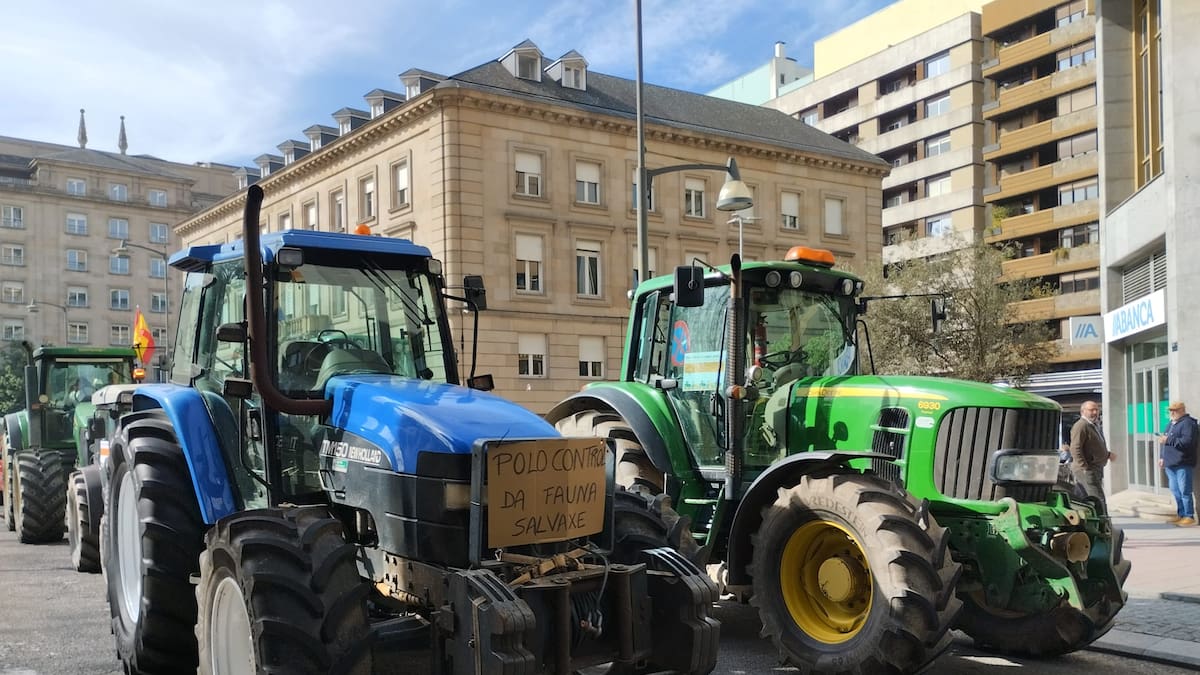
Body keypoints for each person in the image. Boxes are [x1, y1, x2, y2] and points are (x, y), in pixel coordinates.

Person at [1069, 400, 1115, 511]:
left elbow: (1093, 447)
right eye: (1091, 410)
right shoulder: (1081, 426)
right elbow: (1075, 448)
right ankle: (1103, 519)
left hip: (1094, 468)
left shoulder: (1092, 425)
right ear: (1083, 411)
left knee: (1082, 497)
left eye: (1096, 410)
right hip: (1087, 469)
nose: (1095, 412)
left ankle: (1081, 517)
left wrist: (1107, 454)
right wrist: (1084, 467)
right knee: (1097, 498)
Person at [1158, 401, 1198, 526]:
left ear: (1182, 410)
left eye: (1174, 410)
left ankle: (1189, 516)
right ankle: (1181, 514)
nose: (1172, 413)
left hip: (1183, 463)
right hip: (1170, 463)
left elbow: (1187, 442)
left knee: (1184, 491)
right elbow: (1164, 442)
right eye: (1170, 410)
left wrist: (1168, 440)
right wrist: (1162, 457)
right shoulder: (1170, 424)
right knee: (1175, 491)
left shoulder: (1188, 423)